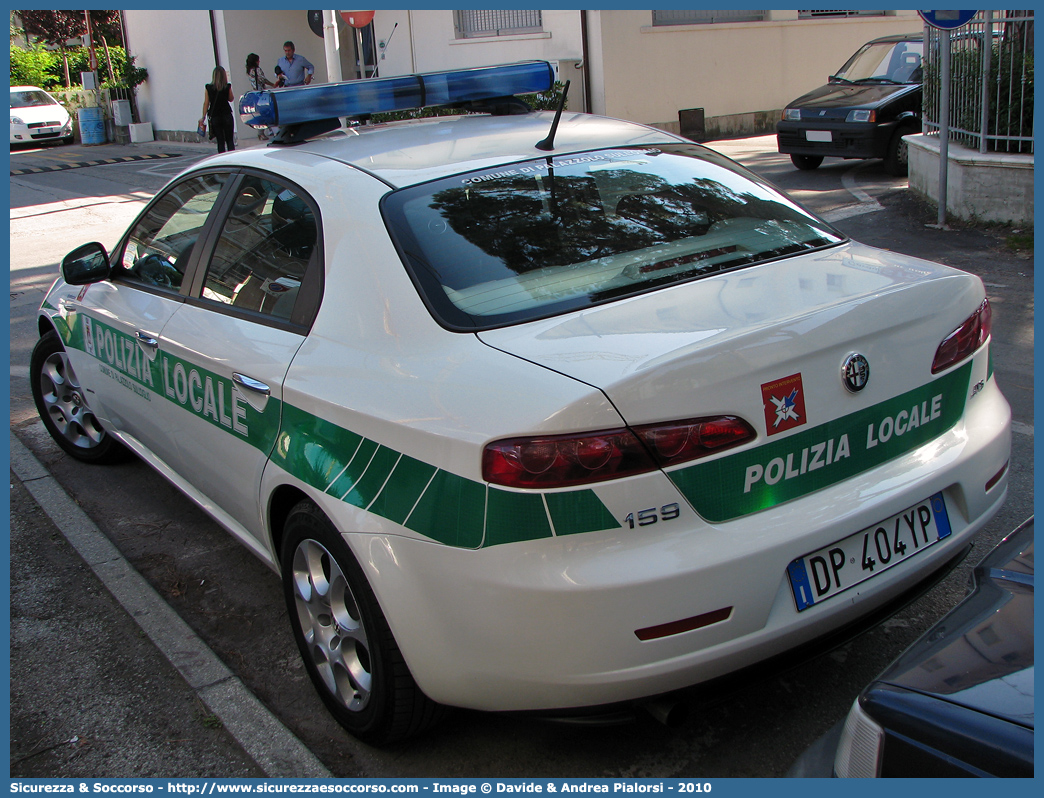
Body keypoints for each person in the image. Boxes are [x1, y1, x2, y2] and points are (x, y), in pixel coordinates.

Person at [200, 66, 235, 153]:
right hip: (226, 114)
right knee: (229, 140)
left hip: (215, 116)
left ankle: (222, 159)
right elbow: (231, 98)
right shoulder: (227, 87)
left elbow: (206, 103)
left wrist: (203, 116)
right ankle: (232, 158)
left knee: (220, 141)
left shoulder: (209, 88)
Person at [245, 53, 277, 140]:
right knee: (266, 112)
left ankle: (261, 132)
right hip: (261, 93)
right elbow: (263, 79)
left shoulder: (248, 71)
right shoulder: (256, 70)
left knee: (260, 113)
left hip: (255, 93)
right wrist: (272, 84)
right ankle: (268, 131)